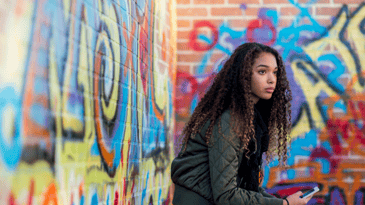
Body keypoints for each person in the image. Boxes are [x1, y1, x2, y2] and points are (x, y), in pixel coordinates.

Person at [171, 42, 312, 205]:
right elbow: (227, 195)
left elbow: (246, 185)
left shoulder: (251, 119)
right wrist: (284, 204)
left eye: (275, 72)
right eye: (262, 71)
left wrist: (284, 202)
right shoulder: (229, 120)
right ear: (243, 75)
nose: (271, 79)